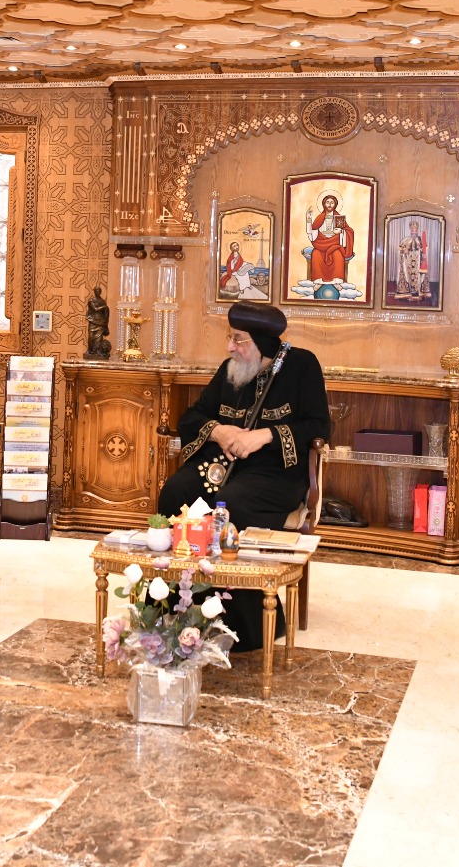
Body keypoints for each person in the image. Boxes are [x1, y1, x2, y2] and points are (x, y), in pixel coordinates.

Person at [157, 301, 331, 650]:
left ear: (263, 345)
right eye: (230, 338)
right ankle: (175, 603)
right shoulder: (231, 369)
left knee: (230, 505)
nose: (229, 347)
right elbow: (193, 416)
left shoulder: (302, 366)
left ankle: (243, 622)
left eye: (238, 340)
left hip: (275, 474)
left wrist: (262, 435)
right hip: (224, 467)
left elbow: (318, 426)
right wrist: (219, 431)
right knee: (176, 490)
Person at [303, 194, 355, 283]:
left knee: (338, 255)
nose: (330, 204)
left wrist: (341, 232)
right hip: (321, 245)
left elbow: (349, 231)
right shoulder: (320, 218)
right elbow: (312, 234)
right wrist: (308, 220)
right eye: (328, 202)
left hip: (335, 245)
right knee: (316, 254)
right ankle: (318, 280)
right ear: (324, 204)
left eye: (332, 202)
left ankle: (337, 280)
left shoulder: (339, 218)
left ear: (335, 204)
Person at [85, 285, 111, 360]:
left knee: (99, 338)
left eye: (99, 291)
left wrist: (106, 321)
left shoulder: (102, 301)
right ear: (94, 291)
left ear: (100, 292)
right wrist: (104, 307)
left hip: (101, 322)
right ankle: (91, 351)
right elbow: (95, 309)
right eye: (96, 291)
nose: (98, 292)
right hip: (93, 321)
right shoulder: (91, 301)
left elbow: (106, 313)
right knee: (91, 336)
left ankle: (97, 352)